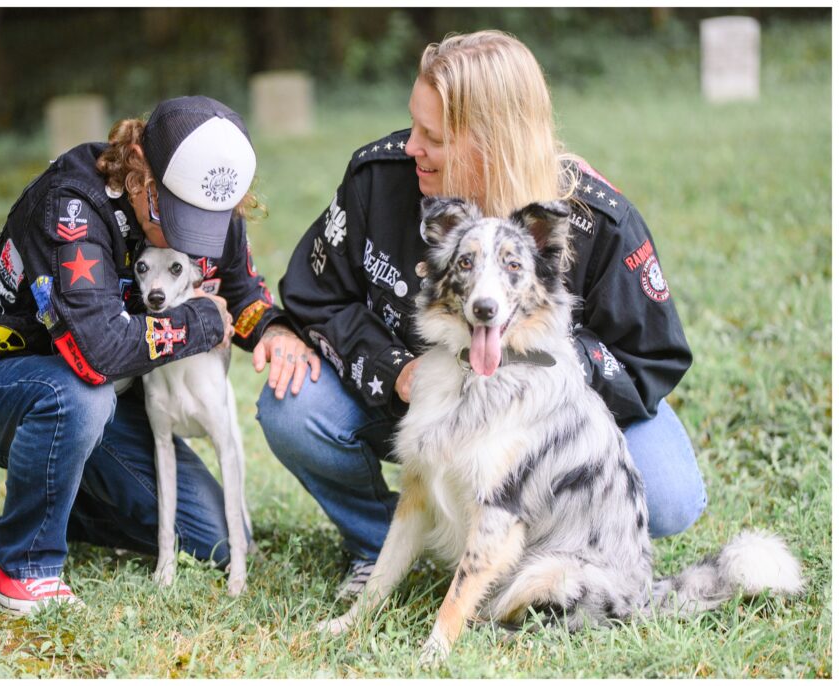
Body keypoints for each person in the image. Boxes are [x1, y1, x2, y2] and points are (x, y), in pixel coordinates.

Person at [256, 30, 707, 599]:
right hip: (421, 404)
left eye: (434, 137)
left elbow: (655, 356)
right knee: (293, 407)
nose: (411, 147)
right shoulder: (378, 179)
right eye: (413, 125)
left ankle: (535, 550)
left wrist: (537, 378)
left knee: (667, 494)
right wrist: (397, 369)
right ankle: (382, 545)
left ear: (493, 143)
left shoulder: (595, 220)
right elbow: (315, 294)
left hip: (555, 422)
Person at [0, 95, 316, 615]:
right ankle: (22, 567)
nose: (191, 242)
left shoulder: (210, 203)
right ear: (138, 181)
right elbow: (99, 353)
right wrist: (198, 320)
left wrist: (275, 329)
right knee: (79, 393)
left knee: (218, 536)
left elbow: (238, 293)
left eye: (207, 223)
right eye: (178, 220)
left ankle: (58, 493)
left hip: (111, 398)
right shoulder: (73, 205)